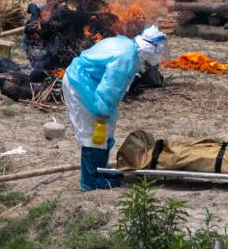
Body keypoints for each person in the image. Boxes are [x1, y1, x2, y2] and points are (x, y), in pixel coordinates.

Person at [62, 25, 169, 191]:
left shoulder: (129, 48)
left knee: (105, 131)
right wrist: (103, 111)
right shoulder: (125, 57)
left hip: (90, 84)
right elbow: (109, 88)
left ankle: (100, 171)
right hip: (81, 84)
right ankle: (91, 181)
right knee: (95, 133)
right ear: (150, 48)